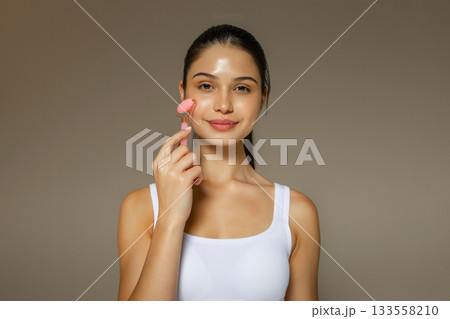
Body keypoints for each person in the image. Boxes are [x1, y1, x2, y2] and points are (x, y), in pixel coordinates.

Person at [117, 24, 320, 301]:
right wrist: (171, 217)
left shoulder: (297, 213)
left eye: (241, 88)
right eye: (206, 86)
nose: (223, 104)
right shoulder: (140, 208)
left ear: (262, 98)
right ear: (183, 94)